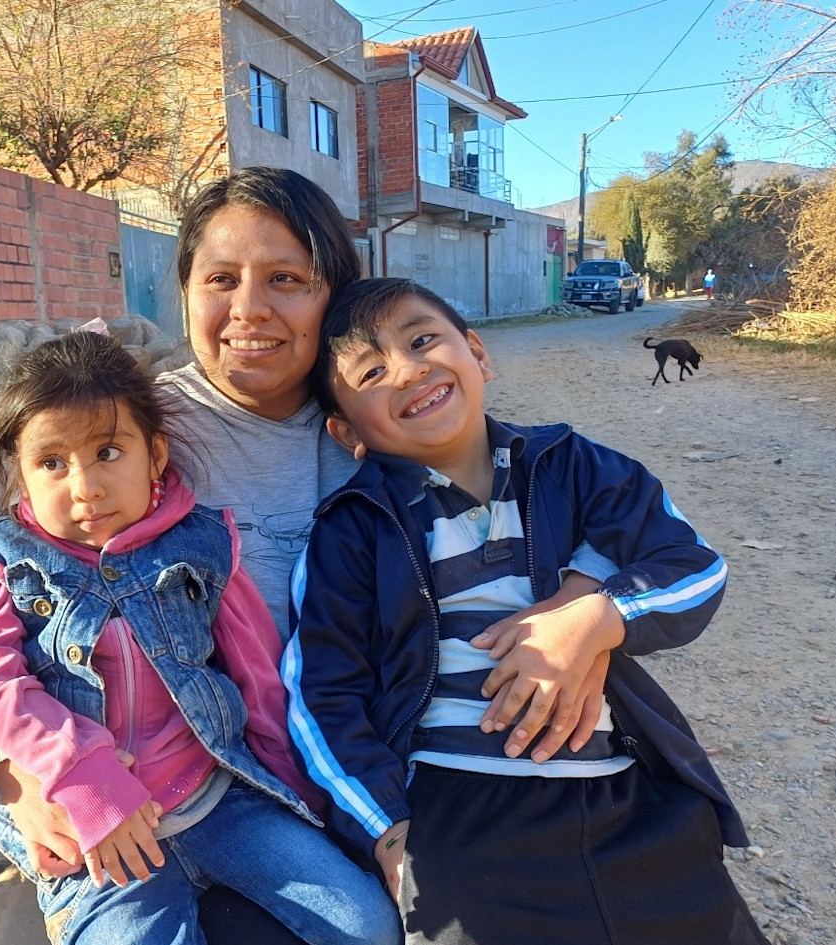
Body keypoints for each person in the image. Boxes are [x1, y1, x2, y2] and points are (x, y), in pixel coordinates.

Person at [0, 168, 608, 943]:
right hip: (172, 795)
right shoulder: (131, 433)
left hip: (354, 786)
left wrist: (587, 607)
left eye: (286, 279)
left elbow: (551, 516)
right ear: (186, 291)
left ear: (334, 295)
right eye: (221, 279)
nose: (249, 308)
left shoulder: (385, 416)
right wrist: (18, 772)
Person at [283, 277, 769, 945]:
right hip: (460, 808)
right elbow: (321, 693)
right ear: (347, 433)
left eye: (422, 340)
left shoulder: (573, 465)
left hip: (621, 790)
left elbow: (693, 564)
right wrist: (385, 830)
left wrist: (596, 617)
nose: (410, 370)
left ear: (477, 353)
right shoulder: (353, 528)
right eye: (372, 372)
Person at [0, 331, 400, 945]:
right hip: (94, 829)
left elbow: (258, 676)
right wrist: (81, 773)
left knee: (368, 924)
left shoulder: (201, 544)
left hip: (219, 801)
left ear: (156, 453)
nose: (85, 487)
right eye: (51, 463)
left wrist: (297, 796)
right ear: (20, 472)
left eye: (108, 452)